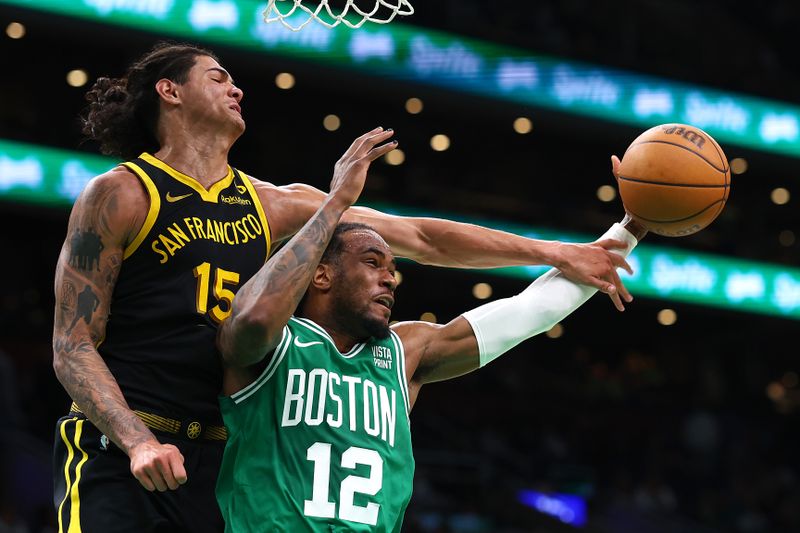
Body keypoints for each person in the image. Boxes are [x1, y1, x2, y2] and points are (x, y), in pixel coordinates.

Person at [51, 40, 634, 532]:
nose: (237, 89)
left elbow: (423, 239)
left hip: (224, 456)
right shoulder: (122, 193)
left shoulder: (277, 204)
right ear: (169, 92)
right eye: (219, 77)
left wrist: (555, 251)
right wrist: (135, 442)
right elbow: (72, 344)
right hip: (121, 448)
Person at [214, 145, 647, 531]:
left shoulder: (405, 352)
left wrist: (630, 228)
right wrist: (334, 205)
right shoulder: (274, 343)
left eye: (393, 270)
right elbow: (252, 319)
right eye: (372, 262)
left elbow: (528, 312)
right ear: (321, 274)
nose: (389, 279)